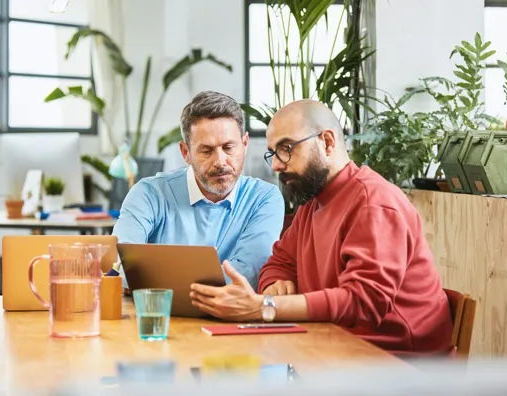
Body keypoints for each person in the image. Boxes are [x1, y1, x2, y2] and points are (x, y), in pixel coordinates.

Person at [189, 99, 454, 356]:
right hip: (330, 350)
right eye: (274, 152)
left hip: (399, 367)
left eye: (287, 148)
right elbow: (279, 262)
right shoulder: (312, 202)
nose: (277, 164)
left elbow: (362, 302)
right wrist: (275, 284)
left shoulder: (374, 203)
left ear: (327, 142)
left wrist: (266, 307)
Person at [112, 91, 285, 289]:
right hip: (159, 315)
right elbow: (120, 264)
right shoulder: (149, 194)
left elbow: (248, 273)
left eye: (228, 147)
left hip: (229, 318)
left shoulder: (264, 198)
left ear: (244, 144)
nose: (220, 162)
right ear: (186, 153)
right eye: (206, 151)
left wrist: (159, 279)